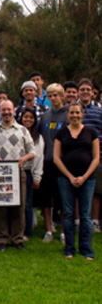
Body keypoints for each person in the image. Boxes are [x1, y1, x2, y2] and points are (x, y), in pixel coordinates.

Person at [0, 100, 35, 252]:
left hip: (17, 172)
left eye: (9, 110)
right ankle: (1, 239)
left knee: (18, 206)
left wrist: (24, 158)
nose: (6, 112)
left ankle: (17, 239)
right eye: (3, 110)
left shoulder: (23, 130)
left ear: (14, 111)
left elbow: (32, 151)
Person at [54, 102, 99, 260]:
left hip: (87, 179)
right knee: (68, 214)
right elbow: (56, 158)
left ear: (82, 114)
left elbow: (96, 158)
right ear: (68, 114)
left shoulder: (91, 132)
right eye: (72, 113)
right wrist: (70, 177)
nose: (74, 116)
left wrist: (84, 177)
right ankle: (69, 249)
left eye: (77, 113)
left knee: (85, 216)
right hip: (66, 179)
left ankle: (86, 249)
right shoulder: (61, 133)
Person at [39, 83, 67, 243]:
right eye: (50, 95)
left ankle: (63, 231)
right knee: (46, 199)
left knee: (62, 199)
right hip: (46, 162)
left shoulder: (67, 115)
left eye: (56, 95)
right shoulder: (45, 116)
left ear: (61, 96)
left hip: (62, 164)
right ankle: (49, 230)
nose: (53, 98)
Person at [77, 78, 102, 232]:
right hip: (77, 156)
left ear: (93, 93)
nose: (85, 92)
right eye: (83, 89)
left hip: (96, 156)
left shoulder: (99, 111)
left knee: (96, 190)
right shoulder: (72, 109)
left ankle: (94, 221)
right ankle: (78, 221)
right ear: (79, 92)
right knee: (77, 188)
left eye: (88, 89)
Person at [18, 108, 44, 239]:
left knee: (27, 203)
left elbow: (39, 158)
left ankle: (27, 231)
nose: (28, 120)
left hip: (29, 172)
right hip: (16, 170)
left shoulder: (38, 137)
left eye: (31, 117)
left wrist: (37, 178)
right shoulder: (17, 132)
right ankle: (17, 228)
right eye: (25, 117)